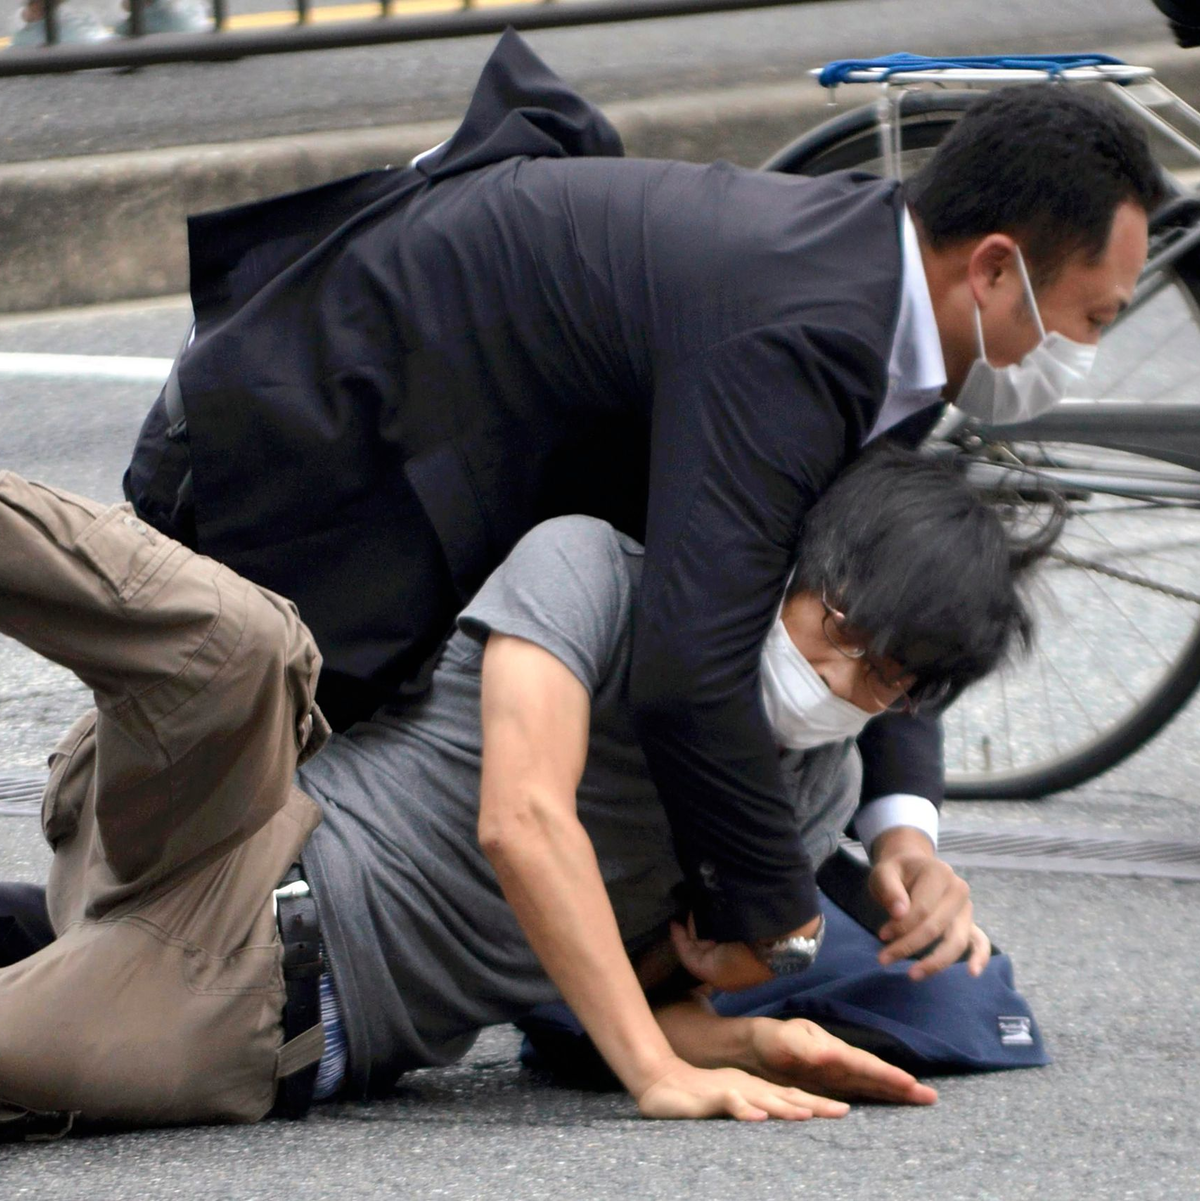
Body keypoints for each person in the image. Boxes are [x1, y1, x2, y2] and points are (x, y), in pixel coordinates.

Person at [123, 30, 1160, 987]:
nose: (1081, 354)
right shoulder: (805, 331)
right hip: (281, 450)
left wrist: (903, 833)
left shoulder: (884, 297)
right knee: (194, 896)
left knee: (222, 911)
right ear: (993, 268)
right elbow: (687, 670)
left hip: (396, 457)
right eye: (1090, 317)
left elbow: (873, 573)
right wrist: (780, 927)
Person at [0, 444, 1055, 1136]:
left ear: (914, 700)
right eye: (836, 630)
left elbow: (598, 1011)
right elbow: (522, 818)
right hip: (240, 823)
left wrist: (732, 1023)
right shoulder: (593, 571)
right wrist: (655, 1067)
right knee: (249, 644)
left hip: (259, 1006)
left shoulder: (812, 799)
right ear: (794, 567)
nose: (837, 678)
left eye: (882, 676)